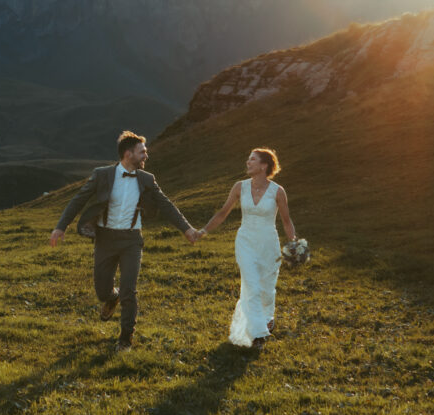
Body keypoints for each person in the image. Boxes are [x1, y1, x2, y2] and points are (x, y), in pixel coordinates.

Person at [49, 130, 200, 352]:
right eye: (142, 152)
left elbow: (166, 204)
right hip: (105, 238)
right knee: (102, 290)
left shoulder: (147, 179)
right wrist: (61, 227)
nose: (146, 156)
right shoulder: (102, 175)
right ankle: (111, 298)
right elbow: (78, 199)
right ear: (128, 154)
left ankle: (125, 339)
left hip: (131, 240)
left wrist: (186, 229)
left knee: (130, 290)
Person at [198, 148, 296, 349]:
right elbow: (223, 213)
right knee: (251, 285)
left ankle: (267, 318)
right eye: (248, 159)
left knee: (267, 289)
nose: (247, 162)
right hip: (245, 242)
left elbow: (286, 221)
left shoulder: (278, 191)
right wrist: (203, 231)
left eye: (252, 159)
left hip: (269, 244)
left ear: (264, 166)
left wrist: (294, 243)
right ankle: (258, 335)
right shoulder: (239, 187)